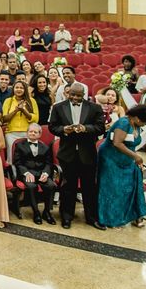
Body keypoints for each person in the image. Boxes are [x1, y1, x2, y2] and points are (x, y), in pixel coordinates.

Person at [49, 83, 106, 230]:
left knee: (89, 187)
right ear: (68, 93)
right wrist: (64, 130)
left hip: (87, 153)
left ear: (84, 95)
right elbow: (52, 127)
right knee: (68, 187)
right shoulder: (58, 107)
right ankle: (66, 217)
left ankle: (91, 217)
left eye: (78, 95)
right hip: (67, 153)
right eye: (72, 94)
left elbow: (100, 127)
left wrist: (85, 128)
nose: (75, 98)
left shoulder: (94, 108)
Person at [97, 105, 146, 228]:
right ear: (137, 118)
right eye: (144, 121)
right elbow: (117, 143)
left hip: (126, 160)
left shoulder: (136, 125)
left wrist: (134, 158)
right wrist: (136, 156)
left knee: (131, 186)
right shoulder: (123, 123)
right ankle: (109, 218)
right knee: (113, 189)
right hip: (111, 159)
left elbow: (131, 144)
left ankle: (132, 215)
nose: (145, 124)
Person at [13, 124, 56, 225]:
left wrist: (45, 173)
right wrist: (26, 173)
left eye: (35, 132)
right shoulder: (19, 145)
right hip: (27, 173)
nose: (32, 133)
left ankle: (47, 212)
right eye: (30, 131)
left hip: (41, 173)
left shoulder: (45, 147)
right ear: (27, 133)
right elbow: (17, 163)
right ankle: (36, 212)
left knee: (50, 185)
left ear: (39, 134)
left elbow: (49, 163)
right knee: (31, 186)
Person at [2, 80, 39, 162]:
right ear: (13, 89)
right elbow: (4, 119)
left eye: (21, 88)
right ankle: (13, 174)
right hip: (11, 134)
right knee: (12, 157)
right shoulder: (8, 101)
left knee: (28, 157)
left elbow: (36, 119)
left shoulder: (31, 101)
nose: (19, 90)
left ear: (25, 89)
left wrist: (23, 111)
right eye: (17, 87)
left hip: (28, 133)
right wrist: (16, 110)